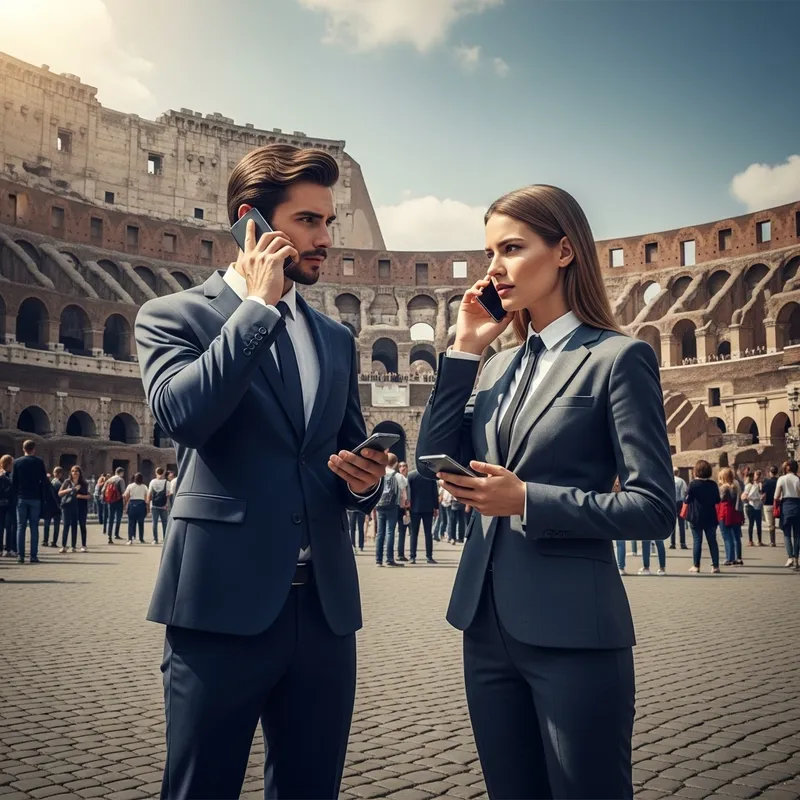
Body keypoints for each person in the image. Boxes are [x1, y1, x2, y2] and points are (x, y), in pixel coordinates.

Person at [134, 143, 387, 799]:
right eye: (308, 221)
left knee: (311, 788)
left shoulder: (336, 339)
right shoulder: (172, 316)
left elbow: (344, 452)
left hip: (325, 613)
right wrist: (255, 309)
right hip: (220, 604)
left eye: (328, 222)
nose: (326, 239)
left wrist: (366, 483)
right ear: (252, 223)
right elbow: (185, 418)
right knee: (201, 787)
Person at [416, 184, 674, 799]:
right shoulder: (499, 366)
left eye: (511, 248)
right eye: (488, 254)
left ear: (564, 251)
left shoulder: (618, 358)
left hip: (574, 631)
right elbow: (433, 454)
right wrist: (465, 348)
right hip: (485, 627)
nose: (494, 269)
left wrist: (528, 500)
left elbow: (654, 506)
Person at [11, 439, 48, 564]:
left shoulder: (17, 462)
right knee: (34, 527)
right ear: (34, 449)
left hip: (21, 498)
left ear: (23, 449)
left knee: (21, 527)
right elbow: (43, 481)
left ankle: (20, 556)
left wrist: (16, 496)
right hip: (35, 498)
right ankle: (33, 556)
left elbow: (13, 482)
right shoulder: (39, 462)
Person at [685, 459, 721, 573]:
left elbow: (687, 500)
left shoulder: (693, 484)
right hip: (710, 516)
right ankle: (715, 566)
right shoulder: (713, 484)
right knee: (712, 541)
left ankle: (696, 565)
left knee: (697, 540)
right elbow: (717, 500)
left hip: (696, 516)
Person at [374, 453, 403, 567]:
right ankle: (389, 559)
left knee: (380, 532)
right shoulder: (397, 476)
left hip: (380, 504)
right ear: (396, 463)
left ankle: (378, 560)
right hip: (392, 506)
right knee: (390, 532)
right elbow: (403, 493)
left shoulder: (379, 473)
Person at [407, 468, 439, 564]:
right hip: (428, 508)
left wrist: (408, 507)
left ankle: (412, 556)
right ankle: (429, 557)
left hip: (414, 508)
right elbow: (435, 493)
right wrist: (436, 507)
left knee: (414, 533)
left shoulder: (411, 475)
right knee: (428, 533)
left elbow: (409, 492)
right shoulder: (431, 476)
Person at [58, 465, 91, 552]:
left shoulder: (84, 483)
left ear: (80, 473)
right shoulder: (67, 482)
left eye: (76, 471)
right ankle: (64, 546)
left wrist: (81, 496)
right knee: (66, 525)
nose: (74, 473)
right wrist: (71, 489)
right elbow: (60, 493)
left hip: (81, 506)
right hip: (68, 505)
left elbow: (90, 496)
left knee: (79, 526)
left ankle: (78, 546)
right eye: (72, 471)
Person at [775, 459, 800, 570]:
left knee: (787, 533)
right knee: (797, 534)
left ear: (787, 467)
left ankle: (790, 556)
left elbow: (776, 496)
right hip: (797, 505)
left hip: (786, 505)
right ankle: (796, 559)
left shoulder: (782, 479)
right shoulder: (798, 479)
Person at [718, 468, 744, 567]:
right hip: (736, 512)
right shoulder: (736, 485)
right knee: (736, 536)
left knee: (727, 536)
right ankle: (738, 558)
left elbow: (720, 499)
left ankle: (729, 558)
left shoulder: (724, 487)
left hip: (725, 512)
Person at [42, 466, 64, 548]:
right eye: (56, 472)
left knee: (53, 525)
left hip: (53, 506)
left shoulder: (57, 482)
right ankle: (48, 541)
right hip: (53, 505)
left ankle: (50, 541)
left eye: (58, 472)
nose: (57, 474)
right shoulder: (59, 482)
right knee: (50, 524)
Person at [124, 473, 148, 545]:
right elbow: (146, 496)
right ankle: (141, 538)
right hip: (141, 504)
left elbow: (126, 495)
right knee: (141, 523)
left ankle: (130, 539)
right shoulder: (144, 486)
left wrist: (126, 505)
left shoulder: (130, 486)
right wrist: (147, 507)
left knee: (131, 522)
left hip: (132, 504)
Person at [147, 467, 169, 544]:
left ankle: (155, 539)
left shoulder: (152, 482)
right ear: (163, 473)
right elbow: (168, 495)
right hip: (164, 505)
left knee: (154, 523)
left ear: (156, 473)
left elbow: (149, 494)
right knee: (165, 522)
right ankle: (165, 539)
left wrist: (147, 505)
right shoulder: (167, 482)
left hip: (154, 505)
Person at [743, 469, 764, 546]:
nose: (758, 476)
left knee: (759, 524)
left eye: (759, 475)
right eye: (757, 475)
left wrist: (761, 497)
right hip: (750, 506)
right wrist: (753, 499)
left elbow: (762, 493)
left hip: (758, 505)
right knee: (751, 523)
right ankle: (750, 540)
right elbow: (746, 496)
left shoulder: (760, 485)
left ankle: (759, 540)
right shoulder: (749, 486)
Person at [104, 467, 126, 541]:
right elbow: (123, 492)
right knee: (118, 518)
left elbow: (103, 490)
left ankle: (109, 535)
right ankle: (116, 534)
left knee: (110, 518)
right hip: (118, 501)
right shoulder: (120, 480)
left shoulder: (109, 480)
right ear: (121, 472)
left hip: (110, 501)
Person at [0, 454, 14, 558]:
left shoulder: (9, 474)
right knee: (7, 527)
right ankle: (6, 549)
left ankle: (5, 549)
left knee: (6, 527)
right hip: (6, 503)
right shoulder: (4, 475)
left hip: (6, 504)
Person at [671, 467, 688, 549]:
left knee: (672, 524)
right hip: (680, 503)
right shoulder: (681, 481)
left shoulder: (669, 480)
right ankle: (683, 543)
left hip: (671, 502)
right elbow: (685, 492)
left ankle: (672, 543)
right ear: (678, 472)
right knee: (681, 524)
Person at [762, 465, 779, 547]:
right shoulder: (779, 480)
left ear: (770, 473)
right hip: (778, 504)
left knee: (771, 524)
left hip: (768, 504)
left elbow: (763, 493)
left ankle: (772, 541)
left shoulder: (766, 482)